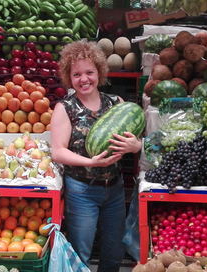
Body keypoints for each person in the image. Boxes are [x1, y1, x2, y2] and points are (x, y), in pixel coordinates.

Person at [50, 40, 142, 271]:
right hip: (82, 190)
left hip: (114, 189)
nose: (84, 79)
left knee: (113, 252)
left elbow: (134, 140)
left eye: (89, 72)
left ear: (99, 73)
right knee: (81, 252)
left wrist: (136, 146)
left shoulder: (116, 103)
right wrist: (90, 161)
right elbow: (58, 151)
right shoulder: (65, 108)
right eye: (77, 74)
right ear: (69, 77)